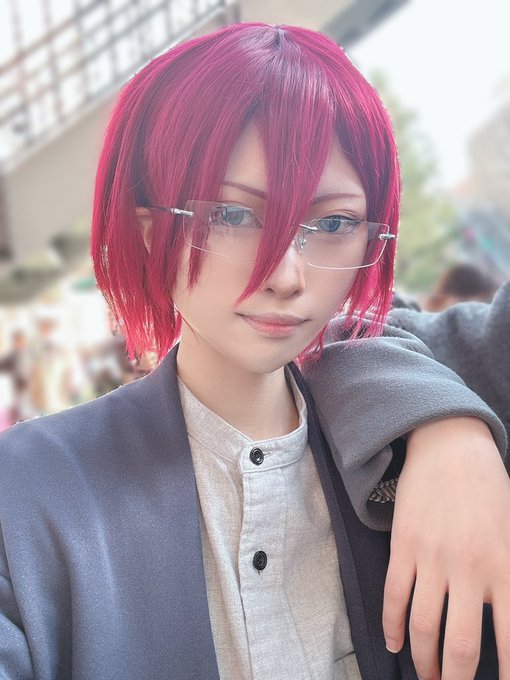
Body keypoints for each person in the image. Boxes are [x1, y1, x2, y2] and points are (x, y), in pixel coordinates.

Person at [0, 23, 509, 680]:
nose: (286, 276)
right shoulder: (28, 495)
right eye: (233, 215)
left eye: (332, 223)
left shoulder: (425, 407)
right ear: (149, 230)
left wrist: (451, 423)